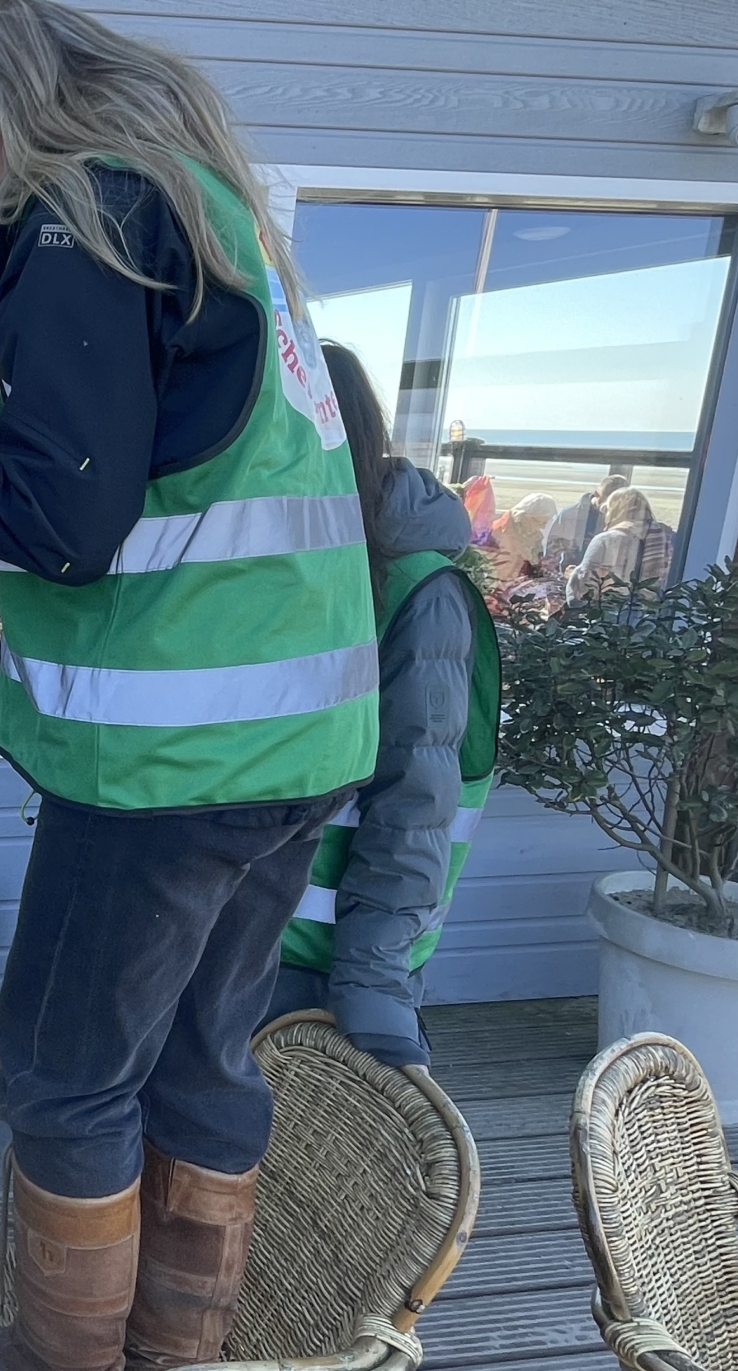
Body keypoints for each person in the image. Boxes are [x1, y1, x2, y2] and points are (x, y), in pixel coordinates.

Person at [0, 3, 377, 1371]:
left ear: (3, 124)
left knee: (65, 1075)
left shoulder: (86, 216)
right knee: (201, 1057)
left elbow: (67, 523)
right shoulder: (215, 226)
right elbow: (138, 492)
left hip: (165, 769)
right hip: (294, 753)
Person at [269, 343, 499, 1070]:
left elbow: (415, 807)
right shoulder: (275, 562)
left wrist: (371, 990)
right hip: (236, 942)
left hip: (328, 965)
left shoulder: (419, 593)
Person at [565, 487, 661, 603]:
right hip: (647, 610)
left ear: (615, 511)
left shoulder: (606, 539)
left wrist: (573, 575)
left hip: (608, 610)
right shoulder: (659, 537)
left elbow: (585, 586)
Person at [545, 471, 629, 569]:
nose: (611, 508)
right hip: (568, 574)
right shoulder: (569, 514)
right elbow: (552, 552)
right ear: (596, 494)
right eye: (608, 504)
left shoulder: (623, 519)